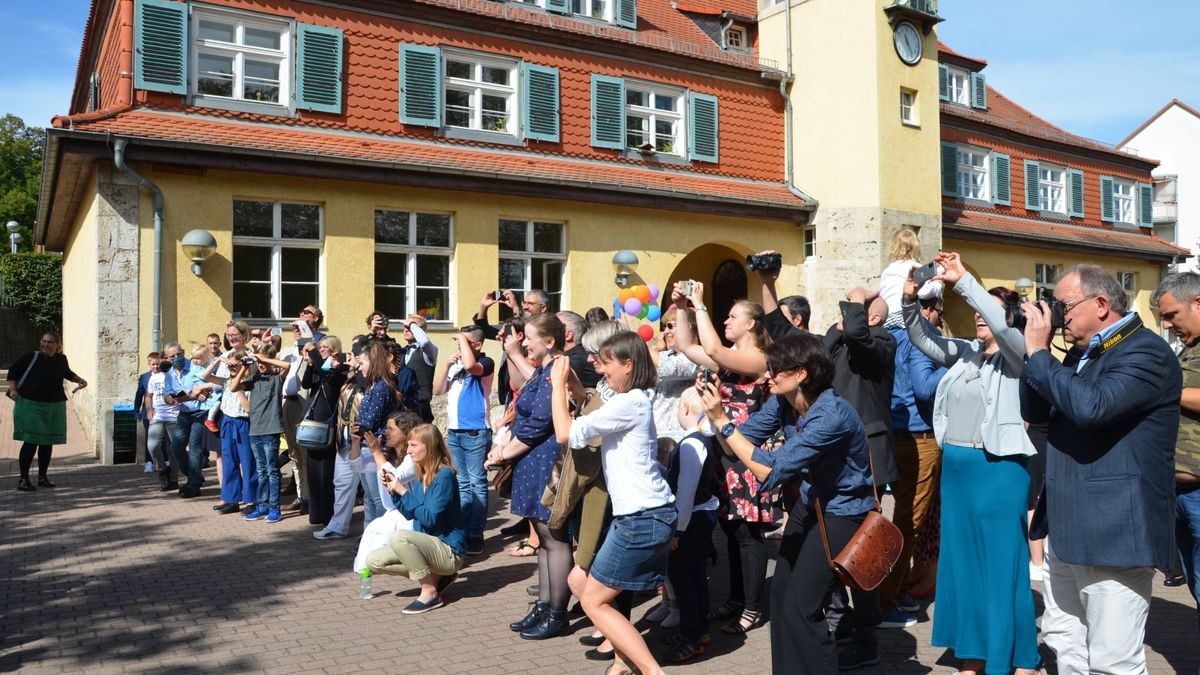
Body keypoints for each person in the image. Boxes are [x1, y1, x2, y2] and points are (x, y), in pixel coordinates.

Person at [1021, 264, 1180, 673]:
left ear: (1102, 304)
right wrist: (1033, 352)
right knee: (1065, 644)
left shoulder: (1145, 352)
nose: (1059, 315)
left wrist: (1041, 355)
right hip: (1067, 526)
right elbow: (1036, 412)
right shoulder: (1081, 354)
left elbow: (1092, 408)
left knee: (1113, 658)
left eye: (1065, 306)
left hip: (1115, 532)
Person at [700, 333, 876, 674]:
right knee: (781, 597)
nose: (768, 376)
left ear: (802, 374)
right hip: (811, 504)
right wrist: (716, 414)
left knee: (803, 606)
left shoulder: (831, 416)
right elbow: (738, 443)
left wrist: (723, 421)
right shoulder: (785, 403)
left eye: (776, 369)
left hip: (843, 513)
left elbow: (770, 471)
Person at [903, 252, 1040, 675]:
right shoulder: (966, 353)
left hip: (997, 470)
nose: (979, 319)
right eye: (979, 313)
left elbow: (1000, 325)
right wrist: (909, 298)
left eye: (988, 312)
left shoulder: (1018, 355)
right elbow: (923, 340)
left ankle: (1014, 657)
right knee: (963, 565)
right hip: (958, 472)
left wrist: (965, 282)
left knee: (1000, 565)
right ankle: (975, 652)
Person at [550, 331, 676, 675]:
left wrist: (556, 385)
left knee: (592, 599)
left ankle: (650, 670)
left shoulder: (631, 402)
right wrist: (576, 391)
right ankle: (623, 663)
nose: (601, 369)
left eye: (606, 363)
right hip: (641, 516)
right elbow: (600, 413)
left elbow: (567, 433)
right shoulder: (631, 401)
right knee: (582, 582)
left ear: (628, 364)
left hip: (642, 518)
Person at [673, 280, 772, 635]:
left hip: (746, 452)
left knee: (748, 533)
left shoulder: (760, 358)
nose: (726, 321)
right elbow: (686, 345)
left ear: (751, 324)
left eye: (732, 317)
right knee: (730, 528)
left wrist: (700, 303)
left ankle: (753, 607)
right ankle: (735, 597)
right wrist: (683, 306)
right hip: (722, 450)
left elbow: (713, 349)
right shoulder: (728, 357)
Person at [487, 314, 576, 640]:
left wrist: (502, 453)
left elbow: (539, 422)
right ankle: (543, 605)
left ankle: (557, 614)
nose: (525, 342)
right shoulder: (542, 370)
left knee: (554, 538)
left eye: (529, 338)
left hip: (545, 463)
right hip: (533, 463)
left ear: (549, 342)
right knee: (543, 538)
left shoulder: (556, 372)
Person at [881, 288, 947, 618]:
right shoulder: (927, 336)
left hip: (891, 432)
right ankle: (888, 600)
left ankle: (893, 589)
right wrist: (959, 366)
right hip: (920, 435)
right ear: (932, 310)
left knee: (897, 519)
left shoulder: (889, 335)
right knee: (909, 522)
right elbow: (924, 387)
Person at [366, 424, 466, 615]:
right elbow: (410, 512)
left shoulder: (443, 476)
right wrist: (394, 491)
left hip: (449, 550)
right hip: (430, 545)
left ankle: (429, 591)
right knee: (373, 561)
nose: (408, 450)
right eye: (408, 445)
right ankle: (437, 577)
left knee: (399, 537)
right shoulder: (422, 473)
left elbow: (429, 518)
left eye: (413, 445)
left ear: (430, 446)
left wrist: (402, 490)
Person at [1155, 271, 1200, 631]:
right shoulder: (1188, 348)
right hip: (1180, 492)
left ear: (1197, 302)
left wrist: (1159, 390)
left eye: (1172, 315)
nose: (1168, 325)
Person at [662, 387, 720, 663]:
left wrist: (677, 529)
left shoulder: (690, 444)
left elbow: (685, 492)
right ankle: (696, 627)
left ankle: (693, 635)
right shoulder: (702, 437)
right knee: (694, 574)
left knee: (682, 575)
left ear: (685, 408)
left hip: (692, 517)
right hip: (699, 514)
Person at [434, 326, 495, 556]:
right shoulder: (458, 365)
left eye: (465, 342)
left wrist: (460, 335)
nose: (460, 346)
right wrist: (447, 366)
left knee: (477, 482)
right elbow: (438, 390)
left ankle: (475, 535)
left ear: (477, 345)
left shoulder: (486, 362)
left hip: (475, 431)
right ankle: (462, 531)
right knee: (462, 484)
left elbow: (472, 366)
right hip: (456, 431)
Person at [8, 332, 87, 491]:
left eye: (50, 342)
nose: (46, 345)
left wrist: (79, 380)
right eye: (43, 341)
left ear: (57, 346)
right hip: (30, 404)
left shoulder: (61, 359)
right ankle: (23, 479)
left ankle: (42, 477)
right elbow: (13, 372)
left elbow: (66, 373)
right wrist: (13, 389)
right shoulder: (31, 357)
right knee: (31, 441)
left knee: (47, 441)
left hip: (54, 404)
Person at [354, 410, 423, 574]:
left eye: (391, 429)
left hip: (414, 513)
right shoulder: (388, 455)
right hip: (396, 512)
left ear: (405, 432)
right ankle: (368, 569)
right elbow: (357, 466)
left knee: (386, 534)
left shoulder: (415, 458)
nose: (386, 432)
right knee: (373, 531)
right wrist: (355, 443)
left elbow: (396, 477)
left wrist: (376, 453)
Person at [234, 343, 287, 523]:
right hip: (255, 430)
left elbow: (287, 366)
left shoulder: (276, 378)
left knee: (272, 471)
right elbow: (234, 387)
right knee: (261, 471)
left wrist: (265, 359)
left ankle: (274, 508)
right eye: (259, 361)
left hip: (271, 430)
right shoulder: (254, 379)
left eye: (263, 361)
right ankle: (262, 506)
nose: (261, 365)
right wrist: (244, 367)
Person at [300, 335, 348, 527]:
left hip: (326, 426)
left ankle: (327, 514)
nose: (320, 350)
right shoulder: (320, 369)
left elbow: (329, 379)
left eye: (324, 348)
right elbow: (305, 384)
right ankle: (316, 513)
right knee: (313, 472)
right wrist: (310, 364)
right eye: (319, 348)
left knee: (325, 473)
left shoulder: (338, 369)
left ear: (334, 349)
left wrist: (313, 353)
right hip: (313, 426)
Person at [649, 310, 700, 443]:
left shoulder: (697, 356)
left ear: (687, 327)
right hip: (653, 434)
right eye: (665, 327)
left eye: (671, 326)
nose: (666, 332)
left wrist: (634, 340)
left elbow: (669, 367)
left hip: (678, 437)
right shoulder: (666, 354)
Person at [879, 227, 943, 328]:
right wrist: (938, 284)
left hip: (886, 319)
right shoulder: (914, 267)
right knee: (935, 336)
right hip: (904, 317)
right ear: (916, 248)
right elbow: (924, 292)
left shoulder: (887, 271)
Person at [145, 342, 185, 491]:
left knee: (174, 449)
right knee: (153, 445)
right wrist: (148, 409)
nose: (163, 362)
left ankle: (173, 479)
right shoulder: (154, 377)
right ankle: (163, 469)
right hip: (158, 416)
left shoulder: (176, 375)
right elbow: (148, 395)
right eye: (161, 360)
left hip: (174, 416)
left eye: (165, 360)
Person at [398, 314, 438, 422]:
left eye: (410, 327)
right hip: (402, 405)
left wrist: (412, 325)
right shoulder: (401, 351)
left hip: (420, 406)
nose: (406, 329)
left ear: (422, 330)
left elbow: (424, 342)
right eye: (405, 327)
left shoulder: (430, 351)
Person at [134, 351, 160, 472]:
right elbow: (139, 395)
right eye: (153, 364)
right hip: (147, 413)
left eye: (158, 364)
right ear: (149, 364)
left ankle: (163, 461)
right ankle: (149, 462)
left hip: (161, 412)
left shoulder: (165, 376)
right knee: (150, 438)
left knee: (162, 438)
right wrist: (136, 411)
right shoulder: (145, 377)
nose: (156, 367)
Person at [558, 310, 599, 388]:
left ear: (568, 335)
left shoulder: (575, 361)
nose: (547, 331)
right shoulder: (574, 354)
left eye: (553, 328)